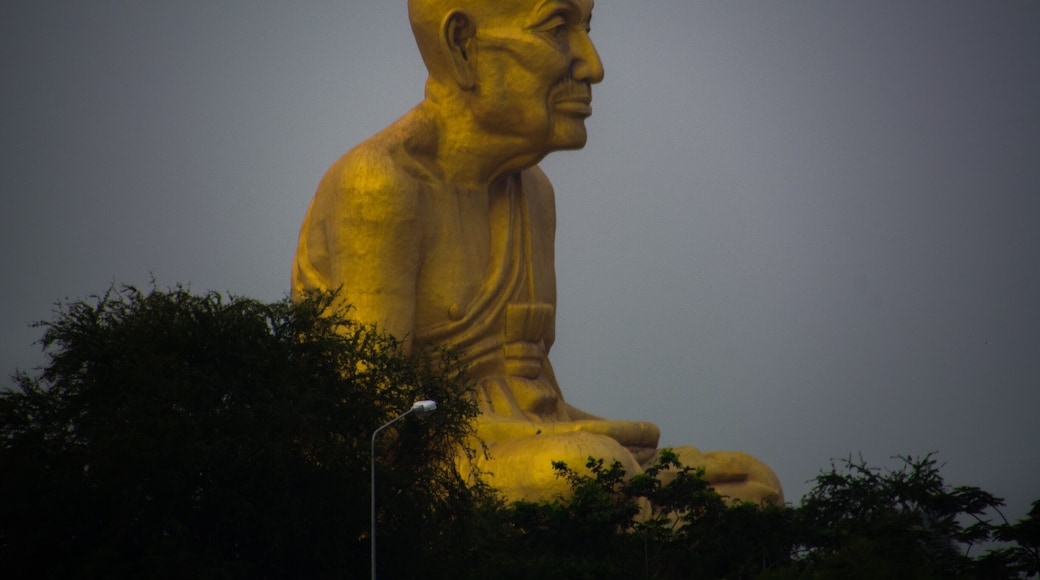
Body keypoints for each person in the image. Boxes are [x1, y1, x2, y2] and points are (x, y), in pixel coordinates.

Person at [293, 0, 782, 504]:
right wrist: (576, 443)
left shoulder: (533, 194)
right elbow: (376, 428)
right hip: (415, 478)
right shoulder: (378, 185)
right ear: (463, 44)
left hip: (524, 454)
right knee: (592, 469)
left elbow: (529, 396)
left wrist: (613, 436)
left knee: (752, 486)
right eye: (558, 29)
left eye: (586, 30)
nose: (593, 65)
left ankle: (639, 517)